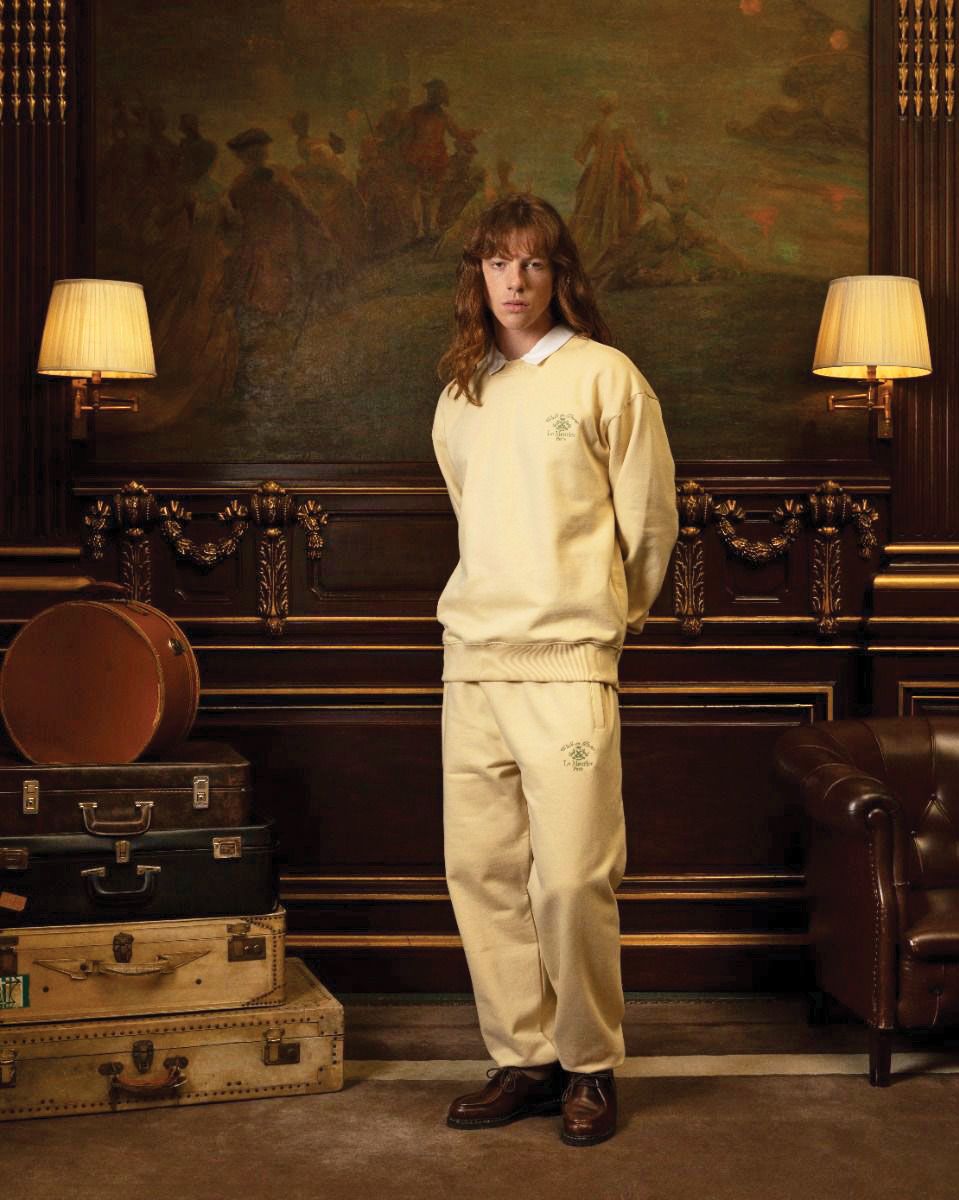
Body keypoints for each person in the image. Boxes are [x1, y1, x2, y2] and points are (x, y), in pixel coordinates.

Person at [431, 194, 679, 1146]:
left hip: (569, 663)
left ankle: (588, 1065)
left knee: (572, 878)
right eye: (498, 262)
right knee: (482, 872)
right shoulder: (461, 393)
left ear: (558, 274)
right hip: (472, 663)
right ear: (478, 275)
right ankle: (524, 1059)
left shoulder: (606, 377)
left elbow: (647, 524)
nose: (515, 280)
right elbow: (474, 518)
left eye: (533, 262)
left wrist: (604, 619)